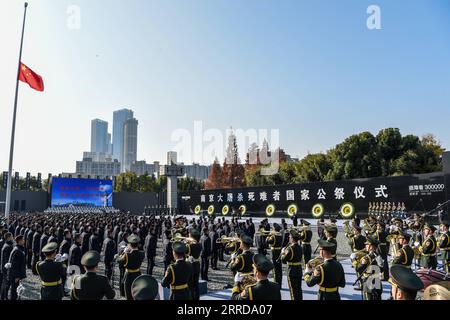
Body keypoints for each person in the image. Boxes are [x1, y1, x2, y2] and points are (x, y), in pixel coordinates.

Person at [117, 234, 144, 300]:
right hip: (138, 275)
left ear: (129, 244)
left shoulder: (127, 255)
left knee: (129, 296)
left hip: (129, 277)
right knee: (137, 295)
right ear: (137, 244)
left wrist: (124, 252)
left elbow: (119, 260)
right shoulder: (142, 253)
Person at [355, 236, 383, 300]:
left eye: (367, 245)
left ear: (371, 247)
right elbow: (381, 269)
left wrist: (360, 263)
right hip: (377, 280)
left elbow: (358, 269)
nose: (366, 246)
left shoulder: (366, 258)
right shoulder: (378, 256)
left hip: (368, 281)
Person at [281, 229, 303, 300]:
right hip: (299, 270)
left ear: (292, 239)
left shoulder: (290, 249)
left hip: (292, 270)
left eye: (290, 237)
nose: (289, 238)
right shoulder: (300, 247)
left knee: (293, 291)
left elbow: (284, 260)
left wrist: (283, 253)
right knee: (299, 290)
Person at [7, 235, 27, 300]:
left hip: (17, 275)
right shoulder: (17, 250)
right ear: (19, 241)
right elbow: (14, 265)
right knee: (14, 292)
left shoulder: (19, 248)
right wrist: (17, 276)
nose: (24, 241)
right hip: (15, 276)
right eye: (23, 240)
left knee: (17, 291)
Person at [186, 229, 202, 300]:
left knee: (190, 284)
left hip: (191, 265)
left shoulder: (190, 245)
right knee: (196, 283)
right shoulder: (199, 244)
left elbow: (185, 252)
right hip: (197, 264)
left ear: (192, 237)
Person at [0, 232, 14, 300]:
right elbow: (7, 260)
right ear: (8, 237)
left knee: (5, 283)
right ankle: (4, 297)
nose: (12, 237)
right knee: (5, 284)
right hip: (6, 268)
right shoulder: (8, 247)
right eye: (11, 236)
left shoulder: (7, 245)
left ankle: (3, 296)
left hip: (4, 268)